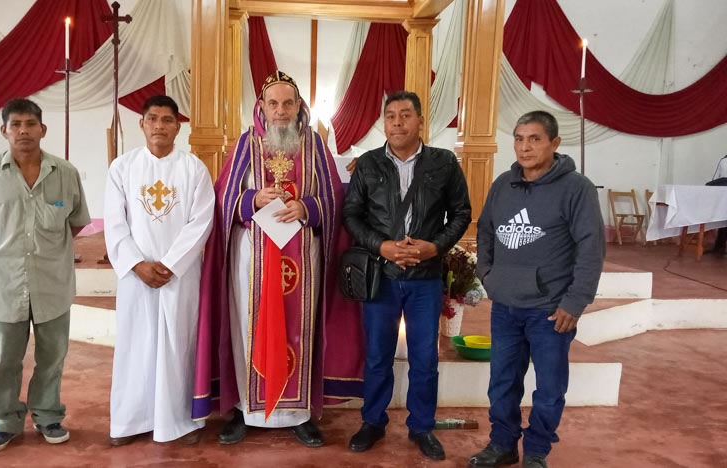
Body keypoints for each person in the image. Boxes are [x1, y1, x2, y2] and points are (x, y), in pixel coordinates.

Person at [191, 71, 364, 448]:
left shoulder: (315, 145)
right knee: (248, 328)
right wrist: (252, 199)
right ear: (262, 108)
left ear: (299, 107)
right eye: (273, 104)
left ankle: (298, 415)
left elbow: (334, 198)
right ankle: (245, 409)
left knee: (298, 331)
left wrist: (308, 207)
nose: (281, 111)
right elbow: (222, 199)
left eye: (288, 103)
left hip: (304, 259)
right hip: (251, 261)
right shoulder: (245, 145)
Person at [469, 111, 605, 468]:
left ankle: (536, 451)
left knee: (549, 388)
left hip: (550, 310)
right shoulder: (503, 184)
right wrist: (488, 275)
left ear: (554, 143)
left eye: (534, 139)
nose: (525, 147)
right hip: (506, 306)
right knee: (502, 382)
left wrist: (575, 302)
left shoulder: (576, 188)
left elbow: (591, 248)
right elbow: (485, 230)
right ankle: (502, 445)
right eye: (519, 139)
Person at [342, 90, 472, 461]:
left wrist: (435, 247)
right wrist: (381, 245)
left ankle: (422, 427)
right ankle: (372, 421)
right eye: (390, 116)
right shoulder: (368, 164)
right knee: (377, 356)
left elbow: (461, 213)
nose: (397, 123)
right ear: (384, 123)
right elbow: (352, 215)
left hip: (425, 278)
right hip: (381, 276)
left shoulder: (443, 163)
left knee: (425, 358)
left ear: (420, 121)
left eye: (405, 115)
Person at [0, 98, 90, 454]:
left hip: (52, 281)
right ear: (4, 131)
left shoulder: (65, 173)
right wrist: (6, 252)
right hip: (6, 281)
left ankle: (48, 415)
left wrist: (48, 251)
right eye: (15, 125)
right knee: (6, 359)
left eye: (30, 124)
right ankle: (4, 421)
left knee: (52, 357)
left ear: (43, 129)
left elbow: (75, 223)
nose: (23, 131)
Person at [104, 95, 215, 446]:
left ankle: (178, 421)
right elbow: (114, 223)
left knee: (178, 345)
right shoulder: (122, 168)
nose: (159, 126)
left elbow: (201, 222)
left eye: (167, 120)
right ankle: (130, 421)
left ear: (178, 127)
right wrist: (137, 264)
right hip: (136, 277)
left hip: (179, 276)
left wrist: (170, 265)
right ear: (142, 124)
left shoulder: (194, 169)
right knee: (135, 346)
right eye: (152, 119)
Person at [705, 155, 727, 255]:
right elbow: (715, 180)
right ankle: (719, 247)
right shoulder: (723, 160)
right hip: (722, 196)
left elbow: (715, 179)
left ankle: (719, 247)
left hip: (722, 196)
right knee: (724, 219)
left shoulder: (723, 160)